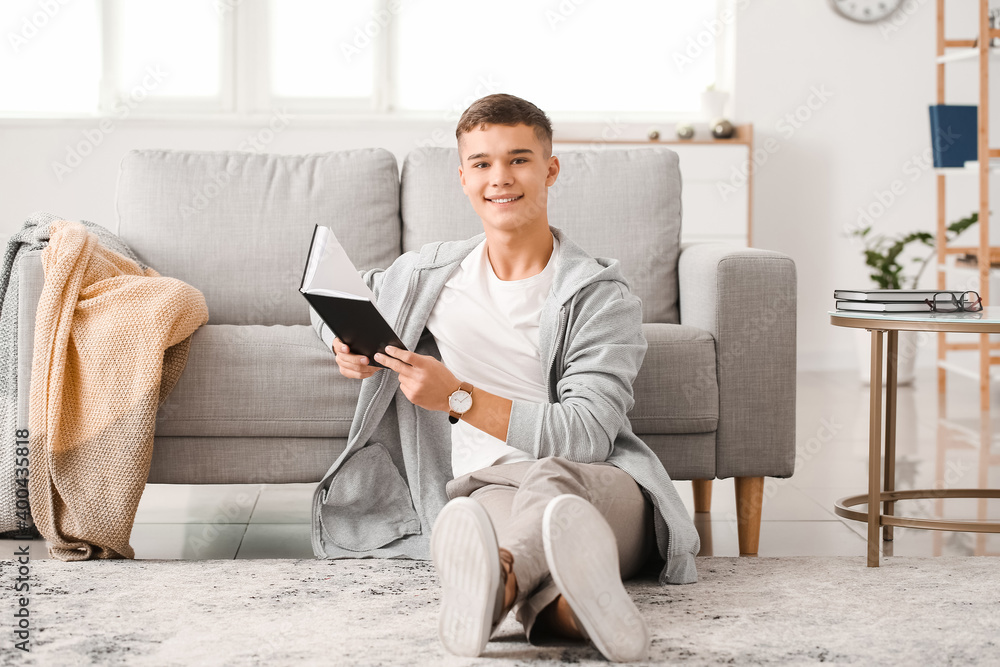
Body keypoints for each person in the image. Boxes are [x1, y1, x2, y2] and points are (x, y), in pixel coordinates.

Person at [311, 93, 699, 662]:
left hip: (599, 483)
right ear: (463, 177)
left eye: (519, 159)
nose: (501, 178)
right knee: (478, 530)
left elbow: (588, 435)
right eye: (482, 163)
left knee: (553, 499)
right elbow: (330, 301)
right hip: (487, 486)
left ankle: (501, 589)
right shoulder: (429, 276)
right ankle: (565, 609)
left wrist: (458, 397)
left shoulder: (599, 297)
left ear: (550, 168)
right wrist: (346, 344)